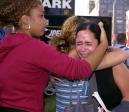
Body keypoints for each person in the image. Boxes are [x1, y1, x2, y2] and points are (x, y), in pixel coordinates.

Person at [0, 0, 109, 112]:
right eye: (41, 16)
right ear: (25, 20)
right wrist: (103, 45)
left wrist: (45, 74)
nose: (45, 21)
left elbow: (18, 73)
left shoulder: (6, 43)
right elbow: (80, 70)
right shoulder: (34, 47)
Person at [50, 16, 129, 112]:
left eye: (88, 43)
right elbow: (123, 54)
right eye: (79, 43)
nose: (83, 48)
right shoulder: (62, 64)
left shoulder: (113, 63)